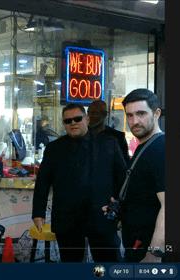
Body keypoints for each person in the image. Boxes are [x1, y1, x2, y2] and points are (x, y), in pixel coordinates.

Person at [32, 103, 127, 262]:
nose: (73, 123)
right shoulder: (54, 148)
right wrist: (38, 212)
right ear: (63, 124)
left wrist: (122, 209)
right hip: (68, 219)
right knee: (71, 266)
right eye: (68, 121)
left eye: (77, 119)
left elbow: (122, 178)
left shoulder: (109, 143)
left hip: (102, 216)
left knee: (109, 263)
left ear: (87, 119)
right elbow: (43, 181)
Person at [103, 89, 165, 262]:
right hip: (136, 243)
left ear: (156, 114)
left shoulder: (162, 149)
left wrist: (154, 254)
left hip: (148, 250)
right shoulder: (145, 145)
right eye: (129, 115)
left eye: (141, 113)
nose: (134, 121)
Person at [88, 100, 130, 165]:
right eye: (88, 113)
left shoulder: (118, 137)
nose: (89, 116)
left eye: (94, 113)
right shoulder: (83, 133)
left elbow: (124, 164)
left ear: (104, 115)